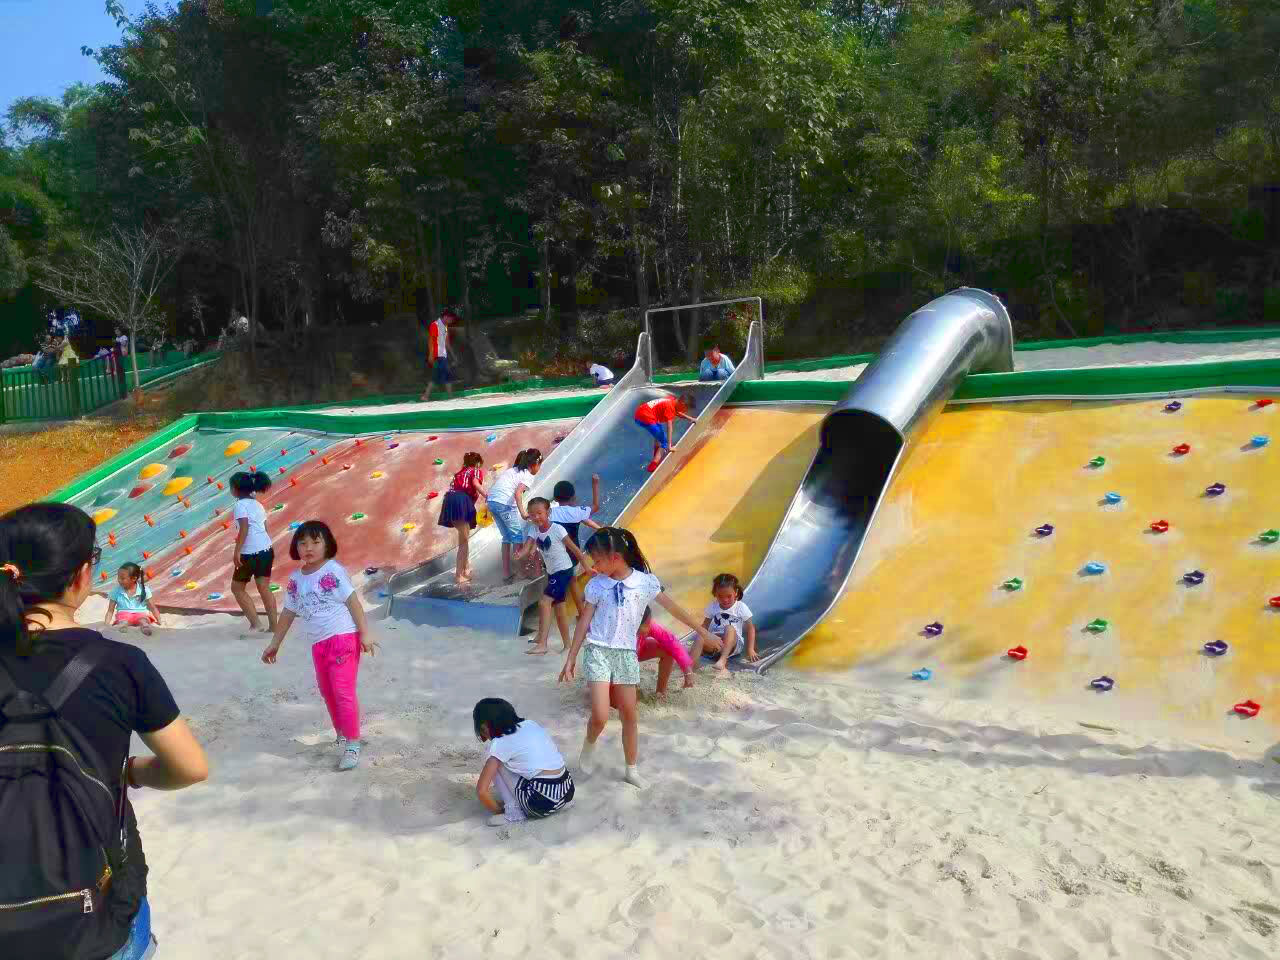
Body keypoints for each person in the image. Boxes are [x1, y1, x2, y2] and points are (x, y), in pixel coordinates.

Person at [0, 503, 208, 960]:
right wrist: (132, 772)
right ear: (80, 575)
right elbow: (190, 767)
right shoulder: (119, 664)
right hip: (93, 921)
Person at [558, 527, 713, 789]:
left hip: (626, 653)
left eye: (597, 560)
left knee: (630, 714)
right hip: (598, 650)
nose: (593, 566)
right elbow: (584, 621)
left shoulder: (645, 582)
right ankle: (590, 743)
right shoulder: (597, 584)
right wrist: (571, 657)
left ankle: (631, 769)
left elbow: (674, 608)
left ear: (615, 557)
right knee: (601, 715)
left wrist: (702, 631)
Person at [261, 521, 376, 772]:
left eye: (315, 542)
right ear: (296, 547)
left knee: (343, 691)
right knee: (327, 691)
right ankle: (342, 733)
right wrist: (274, 643)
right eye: (302, 543)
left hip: (343, 638)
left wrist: (365, 634)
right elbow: (288, 613)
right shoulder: (296, 579)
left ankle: (353, 743)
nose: (309, 548)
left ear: (327, 545)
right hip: (318, 644)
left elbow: (353, 602)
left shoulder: (333, 570)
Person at [473, 698, 574, 826]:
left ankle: (513, 813)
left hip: (541, 802)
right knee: (525, 762)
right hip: (567, 791)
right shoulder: (531, 724)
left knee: (493, 760)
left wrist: (498, 810)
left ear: (485, 727)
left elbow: (481, 791)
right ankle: (558, 804)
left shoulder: (499, 743)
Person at [516, 498, 588, 655]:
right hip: (552, 572)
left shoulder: (557, 529)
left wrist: (587, 567)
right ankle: (567, 645)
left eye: (539, 513)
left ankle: (543, 643)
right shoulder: (534, 530)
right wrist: (520, 554)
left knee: (544, 602)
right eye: (532, 514)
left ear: (548, 512)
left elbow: (575, 549)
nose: (536, 517)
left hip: (564, 570)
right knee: (559, 608)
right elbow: (527, 547)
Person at [228, 470, 278, 636]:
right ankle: (274, 626)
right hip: (266, 549)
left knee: (237, 588)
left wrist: (237, 552)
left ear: (236, 489)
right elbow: (264, 528)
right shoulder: (257, 504)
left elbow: (244, 528)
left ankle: (256, 624)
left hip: (250, 553)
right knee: (264, 588)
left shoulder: (240, 505)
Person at [487, 449, 542, 583]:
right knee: (517, 537)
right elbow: (518, 493)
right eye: (540, 465)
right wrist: (523, 513)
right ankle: (522, 572)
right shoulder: (527, 474)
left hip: (492, 502)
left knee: (506, 538)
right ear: (535, 464)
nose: (539, 468)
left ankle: (506, 573)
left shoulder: (513, 471)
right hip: (504, 504)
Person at [550, 477, 602, 614]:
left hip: (554, 557)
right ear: (573, 497)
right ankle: (582, 612)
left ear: (555, 498)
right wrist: (595, 484)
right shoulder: (576, 512)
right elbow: (595, 506)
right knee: (573, 582)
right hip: (572, 556)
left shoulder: (549, 513)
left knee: (556, 584)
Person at [438, 452, 486, 584]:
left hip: (449, 500)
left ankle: (466, 568)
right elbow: (476, 484)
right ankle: (459, 575)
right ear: (477, 463)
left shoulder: (460, 473)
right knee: (464, 543)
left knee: (463, 537)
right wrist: (488, 496)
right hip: (461, 501)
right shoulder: (475, 470)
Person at [696, 572, 757, 673]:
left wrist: (751, 649)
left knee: (729, 628)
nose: (725, 600)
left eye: (729, 596)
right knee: (701, 635)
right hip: (717, 642)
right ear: (715, 594)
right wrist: (700, 640)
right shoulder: (713, 606)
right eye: (720, 596)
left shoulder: (740, 607)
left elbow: (750, 628)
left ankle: (722, 660)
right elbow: (705, 625)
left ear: (736, 592)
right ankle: (691, 663)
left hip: (733, 643)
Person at [633, 606, 694, 697]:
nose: (649, 627)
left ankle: (661, 692)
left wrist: (687, 670)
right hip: (619, 660)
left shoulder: (649, 625)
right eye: (646, 625)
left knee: (668, 650)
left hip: (637, 651)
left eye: (649, 623)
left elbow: (671, 642)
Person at [632, 393, 698, 472]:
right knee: (665, 442)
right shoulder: (669, 407)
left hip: (641, 414)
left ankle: (656, 455)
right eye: (685, 409)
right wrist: (669, 446)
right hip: (645, 417)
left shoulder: (671, 400)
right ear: (682, 404)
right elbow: (669, 427)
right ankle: (652, 467)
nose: (685, 411)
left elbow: (677, 412)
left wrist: (690, 418)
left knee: (658, 435)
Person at [104, 562, 164, 636]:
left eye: (122, 578)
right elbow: (110, 610)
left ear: (134, 578)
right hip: (124, 614)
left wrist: (159, 620)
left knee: (143, 620)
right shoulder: (116, 591)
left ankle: (145, 627)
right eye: (118, 577)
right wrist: (106, 624)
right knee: (123, 621)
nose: (119, 580)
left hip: (141, 614)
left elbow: (152, 607)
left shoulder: (144, 590)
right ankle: (123, 626)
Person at [421, 307, 459, 402]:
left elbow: (447, 343)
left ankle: (426, 396)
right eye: (451, 319)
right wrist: (431, 355)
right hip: (437, 355)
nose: (451, 321)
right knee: (445, 374)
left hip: (443, 355)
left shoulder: (445, 327)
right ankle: (449, 396)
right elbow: (431, 341)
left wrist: (453, 355)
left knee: (438, 376)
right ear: (446, 317)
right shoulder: (435, 325)